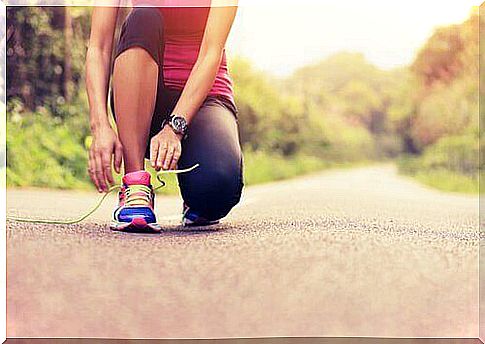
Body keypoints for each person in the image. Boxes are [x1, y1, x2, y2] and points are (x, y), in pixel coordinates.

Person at [85, 0, 243, 232]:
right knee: (144, 16)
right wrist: (100, 125)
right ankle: (135, 186)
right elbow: (98, 47)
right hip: (141, 93)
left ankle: (195, 193)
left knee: (215, 188)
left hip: (204, 97)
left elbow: (212, 52)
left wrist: (175, 127)